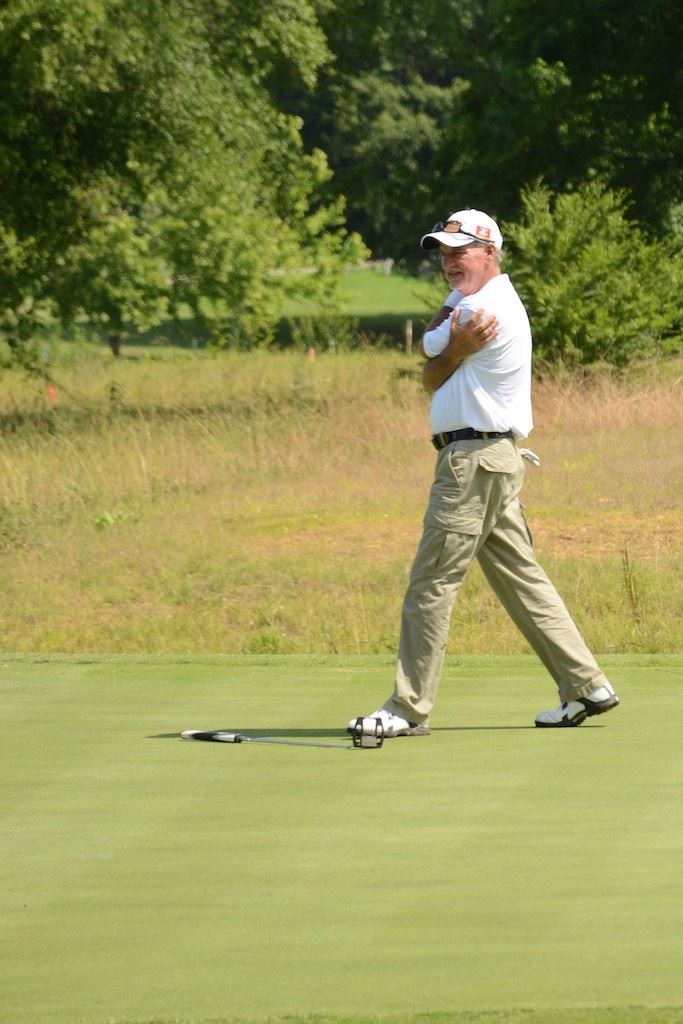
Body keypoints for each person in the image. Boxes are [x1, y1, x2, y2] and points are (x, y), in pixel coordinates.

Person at [349, 209, 619, 735]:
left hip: (471, 462)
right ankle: (587, 686)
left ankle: (406, 710)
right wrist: (451, 344)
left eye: (461, 250)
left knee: (432, 581)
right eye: (444, 253)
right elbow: (432, 370)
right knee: (523, 579)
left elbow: (429, 354)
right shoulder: (471, 300)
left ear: (489, 250)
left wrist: (448, 344)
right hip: (492, 459)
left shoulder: (480, 307)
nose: (450, 262)